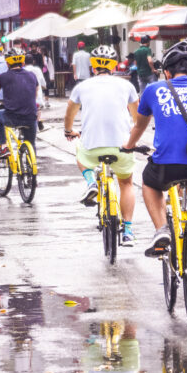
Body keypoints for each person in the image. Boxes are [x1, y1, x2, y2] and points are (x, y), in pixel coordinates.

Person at [122, 41, 187, 305]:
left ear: (166, 72)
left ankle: (161, 230)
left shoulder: (153, 90)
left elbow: (139, 127)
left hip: (166, 165)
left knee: (148, 182)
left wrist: (129, 146)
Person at [64, 45, 140, 245]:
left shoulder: (81, 87)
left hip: (92, 148)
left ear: (92, 66)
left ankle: (90, 182)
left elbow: (69, 113)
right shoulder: (127, 86)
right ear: (114, 65)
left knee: (80, 151)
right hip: (122, 147)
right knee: (126, 183)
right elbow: (138, 118)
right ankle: (129, 230)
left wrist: (68, 130)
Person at [0, 47, 40, 158]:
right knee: (31, 143)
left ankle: (3, 146)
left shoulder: (2, 77)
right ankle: (32, 168)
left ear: (7, 63)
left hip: (12, 117)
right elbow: (34, 95)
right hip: (31, 117)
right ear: (23, 62)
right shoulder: (32, 75)